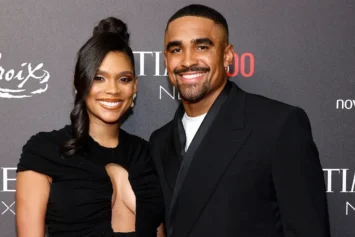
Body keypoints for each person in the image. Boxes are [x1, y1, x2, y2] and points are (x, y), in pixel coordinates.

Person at [149, 4, 330, 237]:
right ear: (166, 60)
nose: (187, 60)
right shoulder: (159, 141)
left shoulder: (278, 126)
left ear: (227, 55)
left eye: (202, 46)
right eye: (176, 50)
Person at [16, 17, 164, 237]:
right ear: (79, 83)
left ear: (135, 87)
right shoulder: (45, 151)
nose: (112, 90)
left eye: (123, 79)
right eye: (99, 78)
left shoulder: (144, 153)